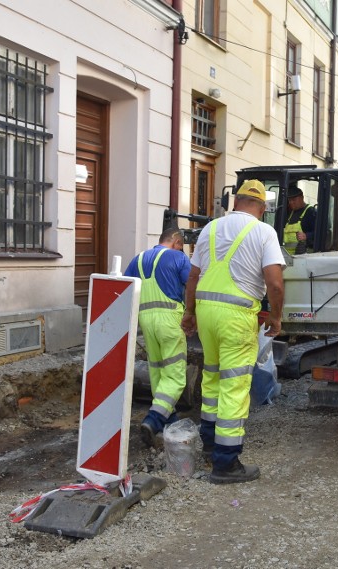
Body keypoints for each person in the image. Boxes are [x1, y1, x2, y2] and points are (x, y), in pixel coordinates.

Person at [181, 179, 285, 484]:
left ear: (235, 201)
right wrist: (276, 318)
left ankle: (210, 445)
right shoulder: (264, 232)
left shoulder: (210, 229)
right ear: (262, 208)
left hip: (207, 312)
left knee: (212, 377)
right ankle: (226, 463)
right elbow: (275, 284)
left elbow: (193, 277)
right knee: (235, 385)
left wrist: (190, 312)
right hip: (237, 315)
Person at [124, 229, 191, 447]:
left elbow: (125, 288)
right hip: (170, 319)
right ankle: (154, 419)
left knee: (158, 369)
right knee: (175, 375)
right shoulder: (178, 257)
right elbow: (192, 285)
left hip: (146, 320)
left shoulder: (138, 259)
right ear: (177, 242)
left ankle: (168, 420)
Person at [283, 185, 316, 254]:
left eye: (294, 200)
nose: (291, 202)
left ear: (302, 198)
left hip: (302, 256)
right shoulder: (290, 213)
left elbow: (320, 233)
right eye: (289, 200)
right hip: (287, 256)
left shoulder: (310, 212)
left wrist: (306, 236)